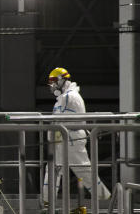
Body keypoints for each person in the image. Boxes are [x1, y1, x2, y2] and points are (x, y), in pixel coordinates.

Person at [41, 67, 111, 202]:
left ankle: (105, 199)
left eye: (53, 82)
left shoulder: (69, 97)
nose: (52, 86)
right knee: (54, 169)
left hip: (70, 140)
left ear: (62, 80)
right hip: (65, 140)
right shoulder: (65, 97)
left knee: (84, 172)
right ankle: (47, 201)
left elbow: (61, 119)